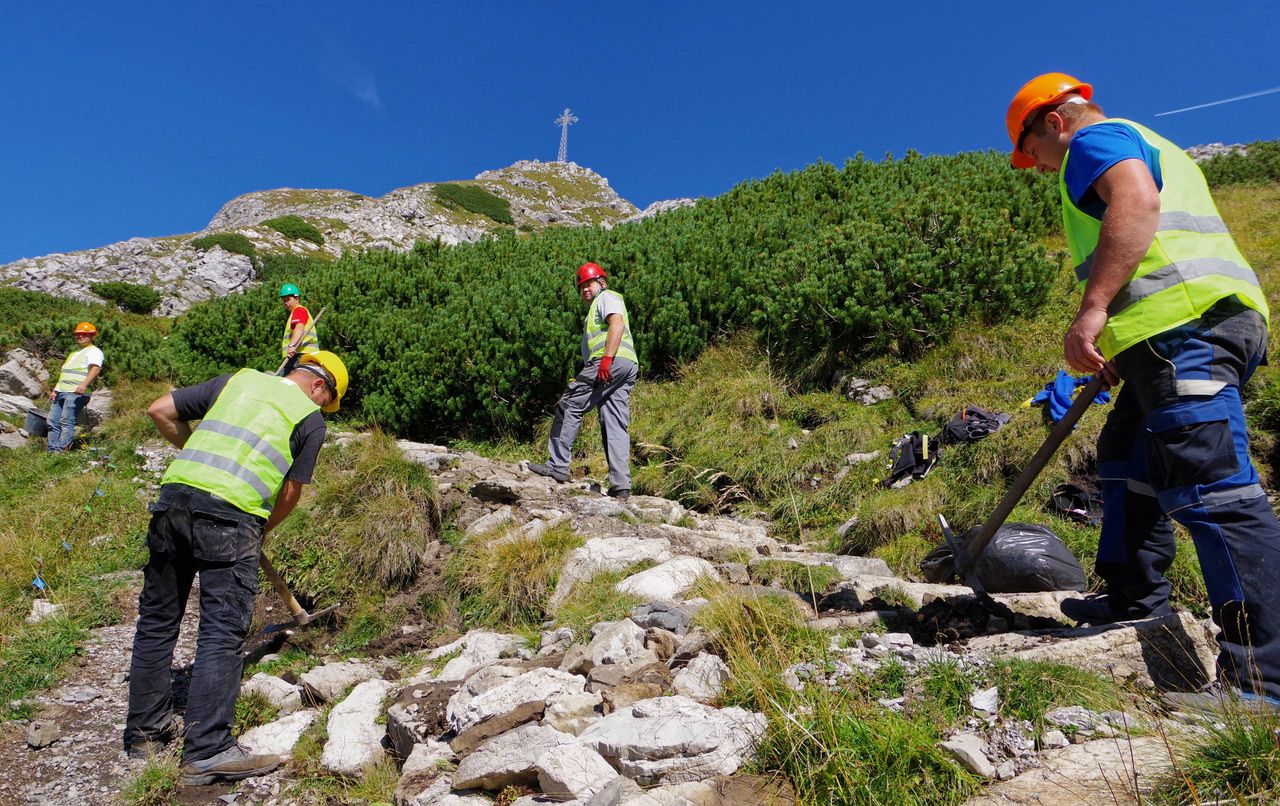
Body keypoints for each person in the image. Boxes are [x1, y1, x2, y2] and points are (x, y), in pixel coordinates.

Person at [1008, 73, 1280, 705]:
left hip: (1186, 329)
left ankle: (1262, 682)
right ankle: (1134, 601)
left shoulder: (1093, 142)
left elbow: (1136, 205)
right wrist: (1122, 348)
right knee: (1126, 457)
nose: (1039, 169)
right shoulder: (1146, 139)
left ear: (1053, 121)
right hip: (1166, 337)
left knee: (1214, 490)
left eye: (1033, 154)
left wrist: (1093, 309)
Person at [124, 351, 348, 785]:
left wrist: (197, 457)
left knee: (156, 622)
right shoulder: (310, 419)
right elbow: (289, 494)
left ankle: (144, 737)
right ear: (321, 388)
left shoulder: (237, 380)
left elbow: (160, 410)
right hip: (232, 518)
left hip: (171, 504)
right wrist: (259, 531)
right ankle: (207, 750)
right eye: (328, 402)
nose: (324, 410)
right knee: (222, 631)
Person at [528, 262, 640, 499]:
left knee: (569, 404)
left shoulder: (606, 297)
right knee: (614, 421)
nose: (585, 290)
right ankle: (621, 486)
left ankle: (558, 465)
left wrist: (606, 360)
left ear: (601, 282)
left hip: (610, 362)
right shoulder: (596, 308)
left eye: (589, 283)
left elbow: (617, 324)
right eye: (581, 287)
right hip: (627, 364)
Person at [47, 321, 104, 452]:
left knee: (66, 421)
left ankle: (60, 450)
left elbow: (95, 370)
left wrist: (84, 385)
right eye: (78, 334)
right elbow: (65, 374)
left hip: (76, 393)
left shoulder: (94, 351)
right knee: (52, 421)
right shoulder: (74, 353)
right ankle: (52, 449)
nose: (80, 336)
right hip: (62, 392)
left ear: (92, 336)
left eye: (84, 334)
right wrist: (56, 390)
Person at [279, 283, 319, 375]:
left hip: (299, 354)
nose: (286, 303)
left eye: (288, 299)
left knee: (285, 382)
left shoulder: (299, 310)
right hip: (301, 354)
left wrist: (292, 345)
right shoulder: (296, 312)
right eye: (284, 301)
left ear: (296, 299)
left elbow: (299, 327)